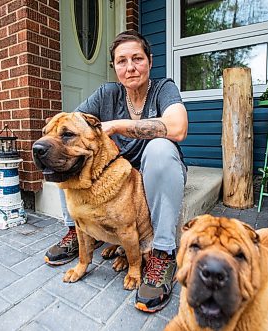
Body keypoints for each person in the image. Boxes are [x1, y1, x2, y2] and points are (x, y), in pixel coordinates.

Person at [44, 30, 188, 313]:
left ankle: (162, 251)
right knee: (68, 153)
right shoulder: (106, 93)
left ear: (150, 61)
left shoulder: (163, 89)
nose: (130, 67)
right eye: (122, 61)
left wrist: (116, 126)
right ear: (114, 67)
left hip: (156, 173)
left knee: (160, 149)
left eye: (137, 58)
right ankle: (77, 230)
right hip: (119, 173)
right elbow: (72, 125)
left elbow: (178, 128)